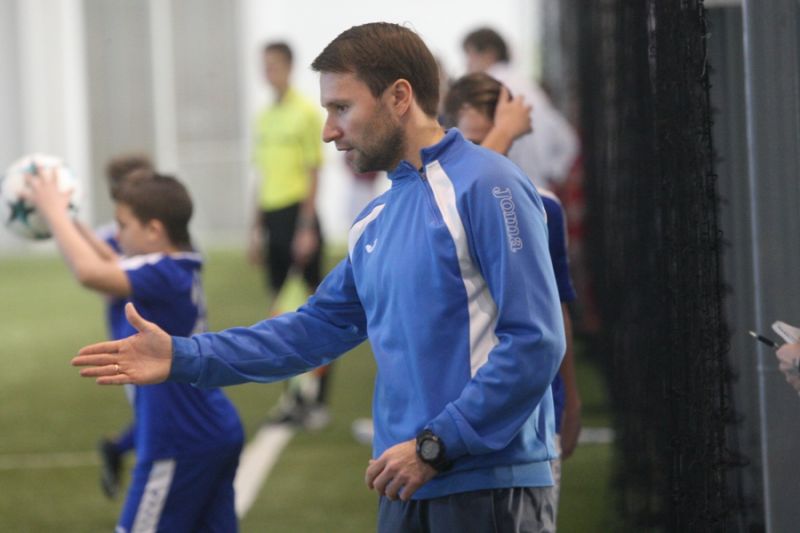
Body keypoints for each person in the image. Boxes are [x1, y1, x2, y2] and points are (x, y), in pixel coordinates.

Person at [73, 22, 565, 533]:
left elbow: (536, 341)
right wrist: (183, 355)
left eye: (342, 108)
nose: (329, 130)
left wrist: (436, 446)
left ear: (399, 97)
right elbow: (308, 331)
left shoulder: (490, 184)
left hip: (484, 482)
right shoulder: (375, 220)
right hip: (403, 480)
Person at [28, 169, 244, 532]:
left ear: (154, 231)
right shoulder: (178, 264)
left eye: (122, 225)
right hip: (212, 428)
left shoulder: (162, 272)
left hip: (178, 439)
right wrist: (68, 218)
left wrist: (51, 211)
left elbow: (91, 273)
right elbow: (109, 263)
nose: (115, 235)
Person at [443, 71, 583, 518]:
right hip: (457, 409)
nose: (482, 155)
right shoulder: (436, 211)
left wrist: (570, 397)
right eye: (469, 142)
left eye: (491, 139)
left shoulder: (542, 207)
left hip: (534, 415)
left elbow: (556, 311)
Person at [248, 41, 332, 428]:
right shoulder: (264, 117)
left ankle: (318, 400)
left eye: (274, 65)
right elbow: (261, 176)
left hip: (299, 216)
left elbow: (314, 171)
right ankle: (292, 398)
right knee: (279, 314)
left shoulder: (306, 113)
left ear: (289, 67)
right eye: (264, 66)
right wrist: (255, 229)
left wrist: (306, 227)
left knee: (318, 313)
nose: (268, 72)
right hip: (272, 219)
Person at [90, 154, 155, 499]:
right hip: (129, 338)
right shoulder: (109, 237)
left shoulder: (163, 228)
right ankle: (146, 484)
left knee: (168, 410)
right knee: (154, 412)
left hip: (171, 333)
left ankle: (117, 449)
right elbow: (103, 285)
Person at [462, 27, 579, 190]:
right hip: (538, 188)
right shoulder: (528, 84)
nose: (467, 64)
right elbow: (568, 141)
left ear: (489, 54)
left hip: (506, 189)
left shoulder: (487, 89)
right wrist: (553, 173)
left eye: (469, 54)